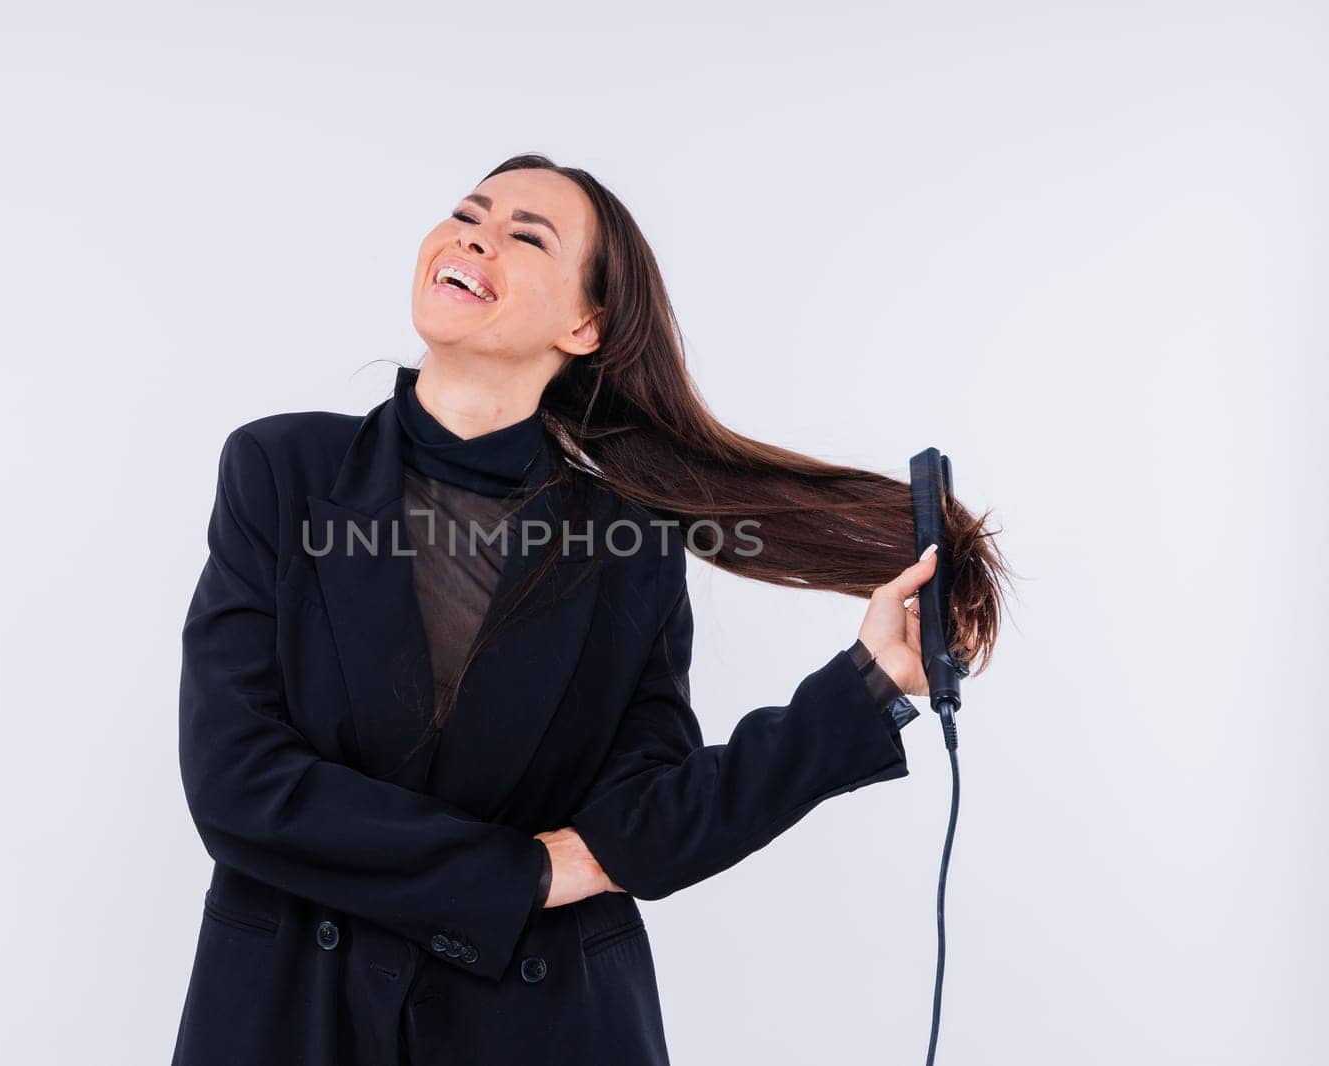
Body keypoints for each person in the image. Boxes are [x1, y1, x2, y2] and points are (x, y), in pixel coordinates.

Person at [170, 155, 1011, 1066]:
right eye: (467, 211)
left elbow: (646, 820)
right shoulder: (279, 471)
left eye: (526, 235)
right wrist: (531, 871)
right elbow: (237, 781)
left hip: (534, 1027)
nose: (475, 235)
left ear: (585, 325)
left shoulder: (631, 548)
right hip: (295, 1018)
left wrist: (864, 689)